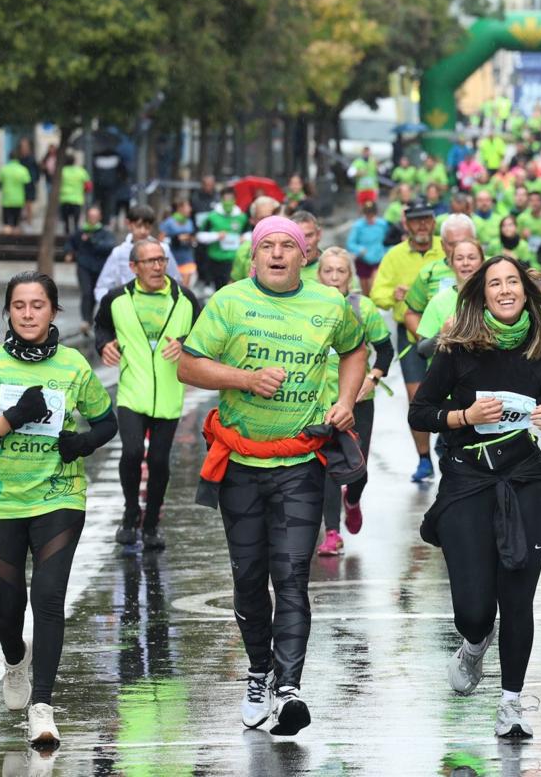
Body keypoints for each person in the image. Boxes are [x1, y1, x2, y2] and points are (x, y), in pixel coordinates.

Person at [177, 217, 365, 736]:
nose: (278, 254)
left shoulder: (328, 305)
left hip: (301, 464)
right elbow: (189, 367)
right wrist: (245, 378)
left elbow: (355, 348)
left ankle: (288, 689)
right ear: (254, 258)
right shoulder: (229, 302)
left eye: (289, 246)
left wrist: (346, 400)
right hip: (238, 463)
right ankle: (258, 672)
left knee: (292, 577)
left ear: (304, 257)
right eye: (268, 246)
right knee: (247, 578)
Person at [408, 254, 541, 738]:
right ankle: (474, 641)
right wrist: (463, 417)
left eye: (513, 282)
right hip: (468, 479)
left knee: (518, 595)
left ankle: (511, 705)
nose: (505, 290)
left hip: (525, 479)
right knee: (474, 610)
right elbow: (419, 412)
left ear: (526, 292)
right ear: (481, 294)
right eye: (494, 283)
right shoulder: (458, 348)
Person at [0, 271, 117, 746]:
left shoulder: (72, 366)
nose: (28, 314)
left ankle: (42, 708)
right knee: (7, 610)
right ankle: (13, 659)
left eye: (38, 305)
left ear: (53, 312)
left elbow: (106, 421)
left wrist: (81, 443)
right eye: (19, 306)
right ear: (9, 311)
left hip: (58, 497)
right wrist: (11, 418)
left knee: (48, 598)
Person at [95, 238, 202, 550]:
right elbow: (102, 328)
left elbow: (205, 335)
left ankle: (152, 521)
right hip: (132, 390)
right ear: (133, 267)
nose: (158, 266)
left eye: (162, 260)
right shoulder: (116, 299)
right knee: (131, 453)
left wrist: (185, 341)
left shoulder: (185, 298)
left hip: (169, 393)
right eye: (150, 261)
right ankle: (131, 513)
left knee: (158, 460)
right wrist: (105, 345)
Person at [314, 247, 394, 556]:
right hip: (322, 401)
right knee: (329, 469)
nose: (334, 277)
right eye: (328, 271)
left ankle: (353, 498)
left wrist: (371, 377)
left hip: (360, 400)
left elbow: (385, 351)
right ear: (318, 275)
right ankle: (332, 532)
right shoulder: (309, 309)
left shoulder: (363, 308)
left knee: (357, 468)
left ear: (351, 276)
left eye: (341, 271)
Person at [370, 205, 444, 482]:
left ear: (434, 221)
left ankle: (445, 445)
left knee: (455, 392)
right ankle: (424, 458)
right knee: (418, 399)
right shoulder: (395, 255)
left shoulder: (445, 247)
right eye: (416, 222)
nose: (422, 226)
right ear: (406, 225)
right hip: (411, 334)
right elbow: (378, 294)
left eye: (426, 219)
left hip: (448, 331)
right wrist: (395, 294)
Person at [93, 206, 182, 304]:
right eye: (139, 226)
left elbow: (175, 280)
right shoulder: (119, 253)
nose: (143, 231)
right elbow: (102, 287)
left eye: (147, 227)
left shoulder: (163, 249)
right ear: (129, 224)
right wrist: (113, 307)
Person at [415, 239, 485, 357]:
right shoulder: (438, 301)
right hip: (448, 373)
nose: (465, 263)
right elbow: (422, 352)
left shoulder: (494, 297)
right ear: (451, 264)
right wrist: (443, 334)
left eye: (472, 258)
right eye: (459, 258)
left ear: (482, 262)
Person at [63, 206, 116, 334]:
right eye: (90, 216)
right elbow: (71, 243)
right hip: (84, 266)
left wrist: (92, 241)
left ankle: (90, 318)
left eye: (95, 216)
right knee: (86, 292)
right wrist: (69, 252)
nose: (92, 219)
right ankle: (85, 320)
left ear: (99, 217)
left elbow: (108, 247)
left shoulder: (105, 233)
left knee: (94, 294)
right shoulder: (81, 231)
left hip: (99, 267)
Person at [196, 187, 246, 289]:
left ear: (235, 200)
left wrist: (243, 238)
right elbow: (200, 235)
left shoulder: (242, 217)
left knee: (231, 288)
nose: (228, 202)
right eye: (225, 199)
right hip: (215, 259)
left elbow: (250, 233)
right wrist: (216, 236)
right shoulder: (212, 217)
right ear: (221, 200)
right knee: (218, 288)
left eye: (230, 199)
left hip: (234, 260)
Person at [346, 199, 389, 295]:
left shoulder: (382, 224)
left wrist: (387, 251)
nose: (370, 216)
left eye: (372, 214)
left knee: (374, 285)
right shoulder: (358, 226)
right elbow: (350, 243)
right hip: (363, 260)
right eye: (367, 214)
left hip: (378, 260)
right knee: (365, 291)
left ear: (375, 213)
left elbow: (389, 240)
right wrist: (359, 249)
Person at [161, 199, 198, 287]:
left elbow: (193, 239)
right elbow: (160, 241)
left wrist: (191, 239)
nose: (190, 209)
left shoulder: (189, 222)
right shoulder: (169, 222)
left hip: (187, 258)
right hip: (173, 259)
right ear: (179, 208)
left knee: (184, 288)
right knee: (173, 287)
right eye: (188, 206)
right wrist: (176, 239)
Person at [58, 154, 91, 237]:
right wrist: (83, 191)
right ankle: (76, 236)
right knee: (76, 221)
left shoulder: (61, 171)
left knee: (66, 222)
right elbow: (88, 186)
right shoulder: (81, 171)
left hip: (64, 199)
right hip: (77, 199)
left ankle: (66, 236)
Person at [290, 209, 323, 281]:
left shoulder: (334, 266)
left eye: (309, 236)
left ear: (319, 234)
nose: (304, 243)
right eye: (299, 237)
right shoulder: (281, 269)